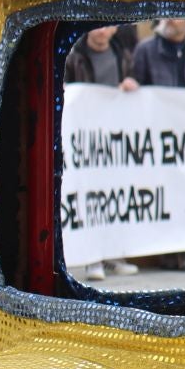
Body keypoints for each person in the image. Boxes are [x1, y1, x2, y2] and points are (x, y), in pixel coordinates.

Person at [130, 19, 185, 271]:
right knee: (165, 193)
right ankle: (167, 252)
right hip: (160, 135)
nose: (170, 19)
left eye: (176, 15)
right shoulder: (146, 49)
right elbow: (137, 81)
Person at [61, 25, 142, 282]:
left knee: (112, 196)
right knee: (89, 196)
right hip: (86, 140)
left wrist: (131, 85)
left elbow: (135, 83)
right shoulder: (74, 56)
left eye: (106, 26)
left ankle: (113, 257)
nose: (101, 31)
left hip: (113, 140)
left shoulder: (124, 56)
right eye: (96, 26)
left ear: (115, 29)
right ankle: (91, 260)